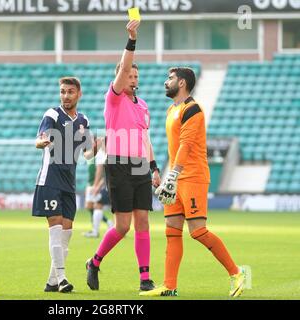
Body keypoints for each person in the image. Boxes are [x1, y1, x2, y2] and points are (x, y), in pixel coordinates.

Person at [140, 67, 246, 298]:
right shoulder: (171, 109)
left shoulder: (193, 109)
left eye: (170, 78)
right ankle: (169, 286)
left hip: (193, 176)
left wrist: (173, 175)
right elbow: (175, 147)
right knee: (172, 232)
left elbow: (186, 146)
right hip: (176, 177)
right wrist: (165, 173)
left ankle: (237, 273)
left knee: (197, 231)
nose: (166, 81)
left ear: (182, 83)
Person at [86, 19, 161, 292]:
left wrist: (154, 167)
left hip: (141, 165)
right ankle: (94, 262)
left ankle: (145, 278)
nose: (134, 78)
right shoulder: (113, 97)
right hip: (118, 165)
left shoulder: (142, 105)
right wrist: (131, 40)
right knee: (123, 227)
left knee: (143, 221)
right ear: (120, 77)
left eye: (136, 76)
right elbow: (125, 65)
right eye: (129, 75)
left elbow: (145, 138)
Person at [33, 77, 102, 293]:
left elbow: (87, 154)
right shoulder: (52, 114)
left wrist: (96, 148)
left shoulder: (83, 120)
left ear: (79, 94)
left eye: (70, 92)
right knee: (55, 230)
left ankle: (52, 282)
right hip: (50, 179)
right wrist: (42, 142)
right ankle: (62, 279)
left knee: (67, 233)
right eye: (62, 91)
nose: (65, 96)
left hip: (68, 183)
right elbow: (39, 139)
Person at [83, 137, 113, 238]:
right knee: (95, 205)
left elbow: (100, 172)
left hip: (107, 185)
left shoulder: (103, 155)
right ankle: (108, 226)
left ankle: (98, 230)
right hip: (105, 184)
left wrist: (96, 186)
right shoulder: (102, 154)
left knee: (97, 205)